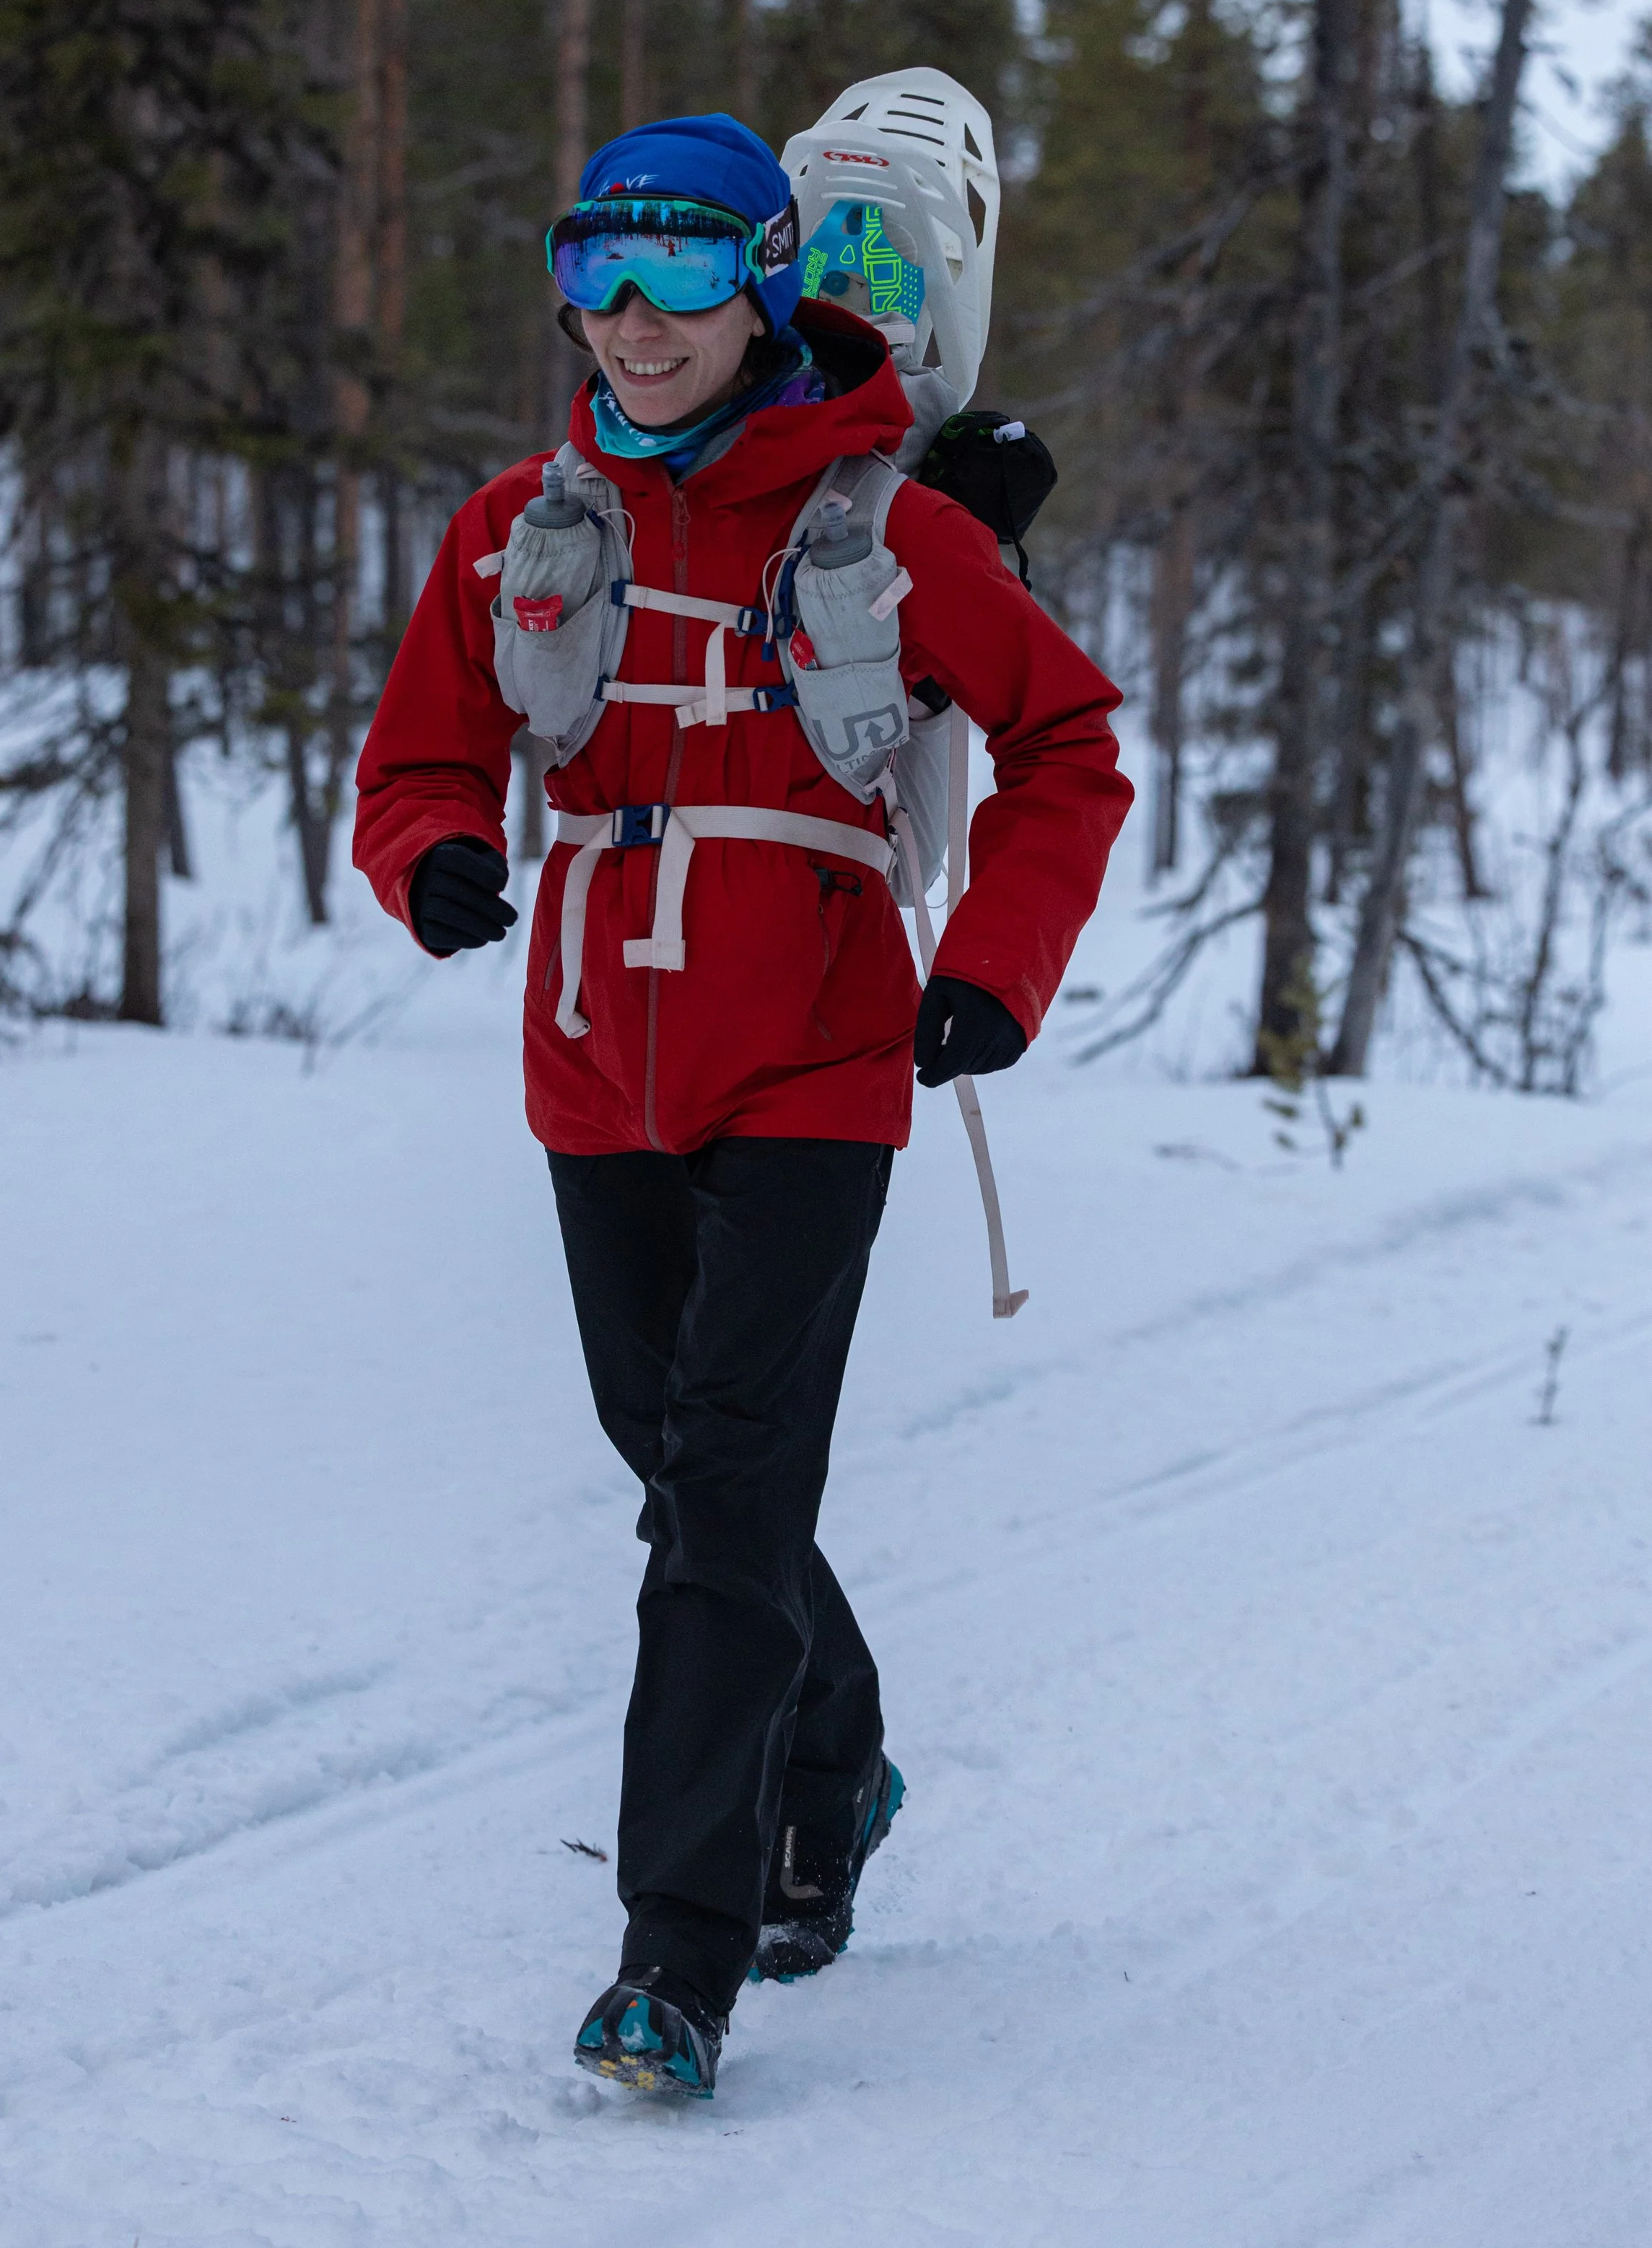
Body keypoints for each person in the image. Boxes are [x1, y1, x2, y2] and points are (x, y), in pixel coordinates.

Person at [354, 111, 1131, 2098]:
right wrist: (433, 846)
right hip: (594, 1044)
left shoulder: (888, 524)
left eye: (684, 265)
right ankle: (833, 1745)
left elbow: (1064, 745)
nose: (630, 313)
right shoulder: (521, 522)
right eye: (593, 263)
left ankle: (670, 1958)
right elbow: (419, 752)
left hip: (816, 1049)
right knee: (676, 1452)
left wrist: (996, 966)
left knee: (719, 1487)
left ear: (771, 277)